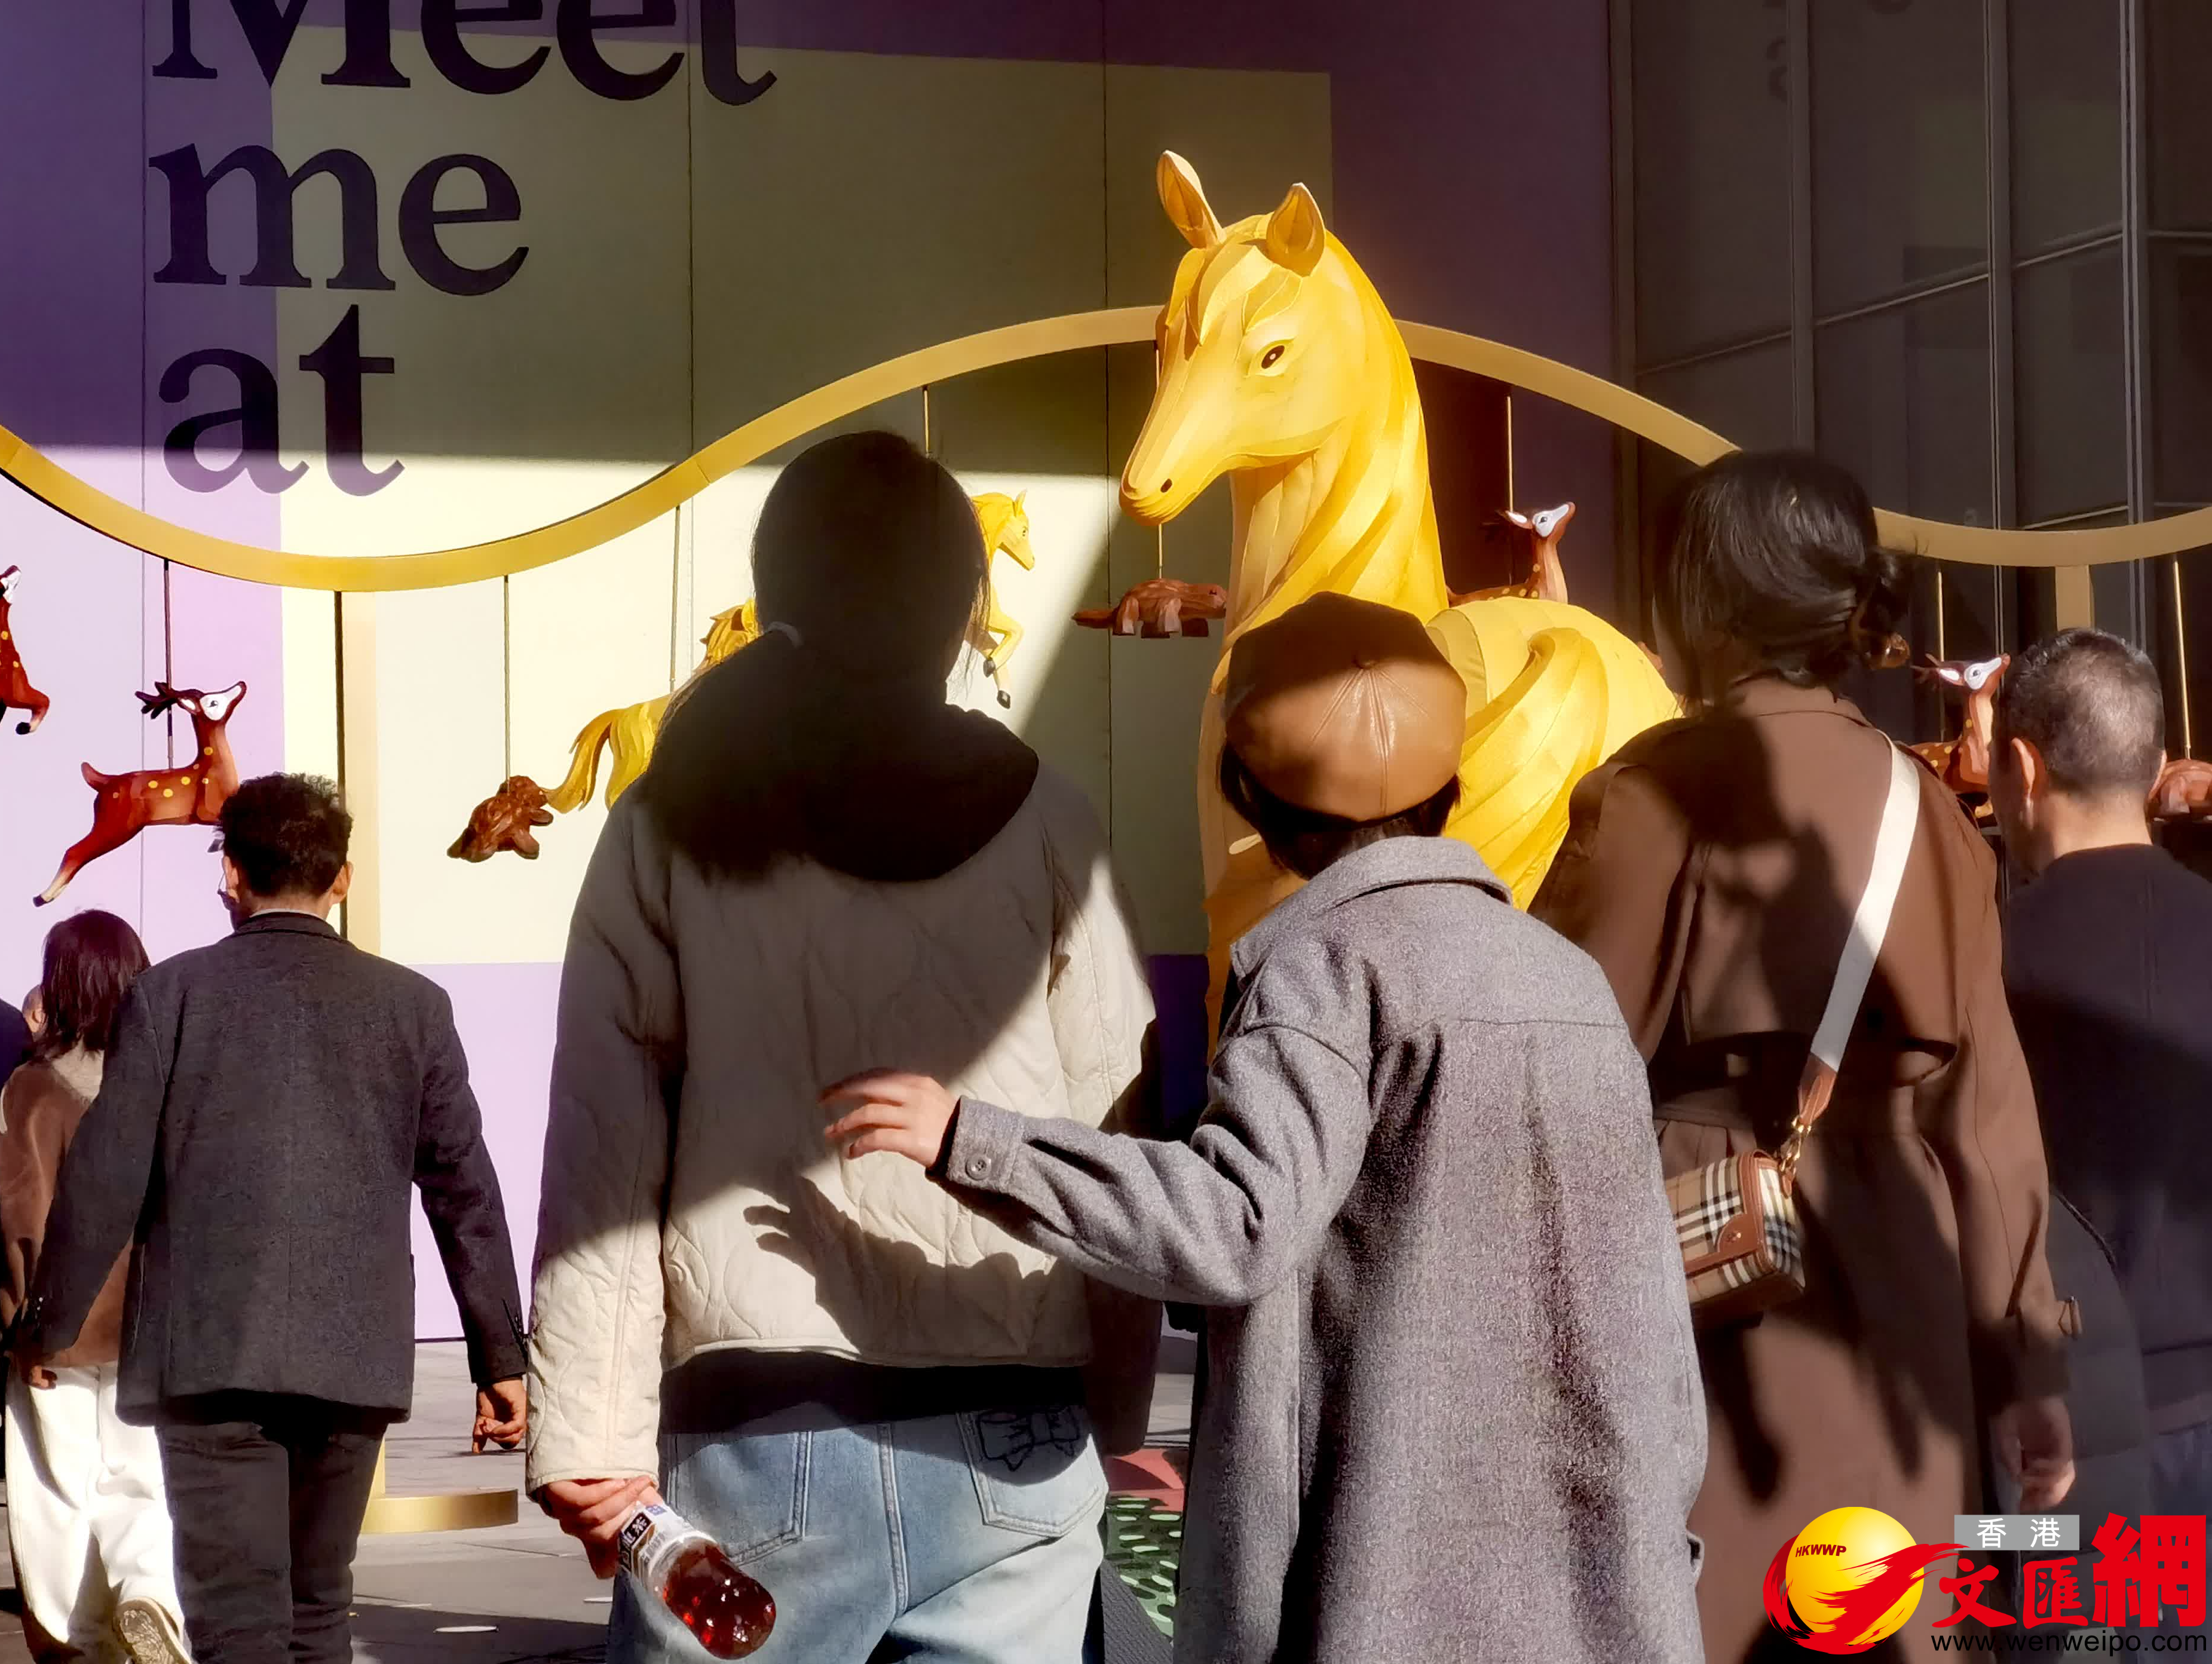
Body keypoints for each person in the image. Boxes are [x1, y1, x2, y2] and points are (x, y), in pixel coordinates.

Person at [824, 592, 1709, 1664]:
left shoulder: (1324, 971)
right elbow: (1649, 1306)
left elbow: (1237, 1221)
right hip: (1603, 1586)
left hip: (1380, 1587)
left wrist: (974, 1139)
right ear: (1452, 786)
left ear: (1252, 801)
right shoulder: (1568, 980)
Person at [527, 431, 1160, 1664]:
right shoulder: (1051, 818)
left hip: (755, 1439)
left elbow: (607, 1138)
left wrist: (587, 1435)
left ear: (777, 594)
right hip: (1014, 1433)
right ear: (962, 609)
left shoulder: (671, 816)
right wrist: (1113, 1404)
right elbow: (1111, 1130)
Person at [1529, 451, 2073, 1664]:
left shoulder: (1653, 792)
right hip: (1902, 1288)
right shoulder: (1932, 815)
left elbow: (1545, 1063)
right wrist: (2027, 1365)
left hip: (1700, 1276)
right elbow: (1987, 1129)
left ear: (1702, 598)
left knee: (1702, 1605)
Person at [13, 774, 529, 1664]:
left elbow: (104, 1177)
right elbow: (463, 1189)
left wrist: (48, 1327)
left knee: (237, 1621)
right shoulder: (413, 1007)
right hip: (353, 1355)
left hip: (207, 1355)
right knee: (319, 1609)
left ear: (232, 873)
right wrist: (500, 1356)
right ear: (343, 879)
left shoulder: (170, 996)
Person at [1991, 630, 2212, 1528]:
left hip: (2057, 1435)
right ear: (2155, 770)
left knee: (2042, 1613)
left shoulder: (1984, 961)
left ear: (2020, 769)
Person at [0, 913, 187, 1664]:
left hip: (58, 1326)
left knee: (57, 1486)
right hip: (150, 1325)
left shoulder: (33, 1090)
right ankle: (151, 1595)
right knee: (143, 1476)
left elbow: (21, 1217)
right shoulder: (164, 1080)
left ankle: (79, 1637)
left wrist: (22, 1326)